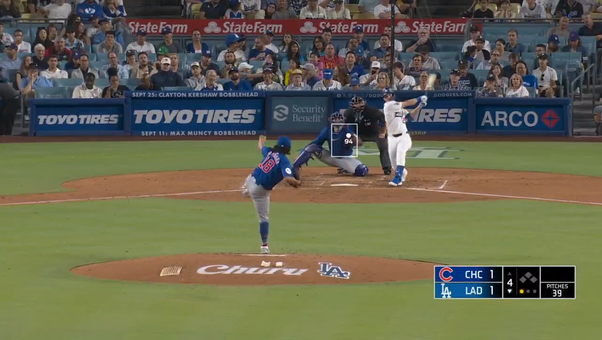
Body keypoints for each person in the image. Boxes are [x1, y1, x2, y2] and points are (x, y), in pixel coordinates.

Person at [241, 135, 301, 254]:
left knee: (252, 178)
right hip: (259, 191)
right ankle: (264, 247)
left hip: (250, 180)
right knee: (264, 219)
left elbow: (260, 147)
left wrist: (261, 140)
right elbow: (289, 180)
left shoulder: (270, 152)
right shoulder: (284, 161)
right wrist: (298, 181)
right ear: (288, 149)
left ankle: (245, 190)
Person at [293, 111, 369, 178]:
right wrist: (302, 154)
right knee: (312, 147)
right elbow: (315, 144)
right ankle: (295, 167)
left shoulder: (347, 130)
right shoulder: (327, 131)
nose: (337, 121)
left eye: (338, 119)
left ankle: (345, 168)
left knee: (362, 171)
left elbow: (359, 142)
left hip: (345, 159)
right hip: (331, 157)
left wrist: (354, 142)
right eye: (335, 119)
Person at [382, 88, 426, 186]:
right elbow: (408, 102)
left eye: (387, 95)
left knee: (400, 152)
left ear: (392, 95)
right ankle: (403, 172)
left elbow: (410, 117)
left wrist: (420, 106)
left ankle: (398, 178)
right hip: (391, 138)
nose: (386, 97)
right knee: (394, 164)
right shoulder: (388, 106)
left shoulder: (399, 108)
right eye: (385, 95)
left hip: (404, 137)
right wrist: (420, 98)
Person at [343, 96, 392, 175]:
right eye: (355, 103)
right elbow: (345, 126)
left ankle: (387, 167)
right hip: (359, 134)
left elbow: (385, 121)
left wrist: (383, 133)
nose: (357, 105)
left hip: (374, 133)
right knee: (346, 142)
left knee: (383, 145)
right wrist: (352, 135)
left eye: (359, 103)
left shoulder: (373, 111)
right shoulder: (348, 113)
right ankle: (345, 166)